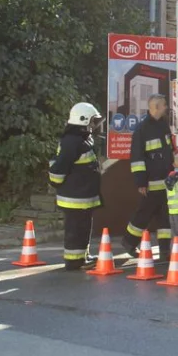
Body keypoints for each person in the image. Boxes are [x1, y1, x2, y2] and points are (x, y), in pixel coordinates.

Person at [48, 103, 103, 270]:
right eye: (93, 121)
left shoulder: (81, 139)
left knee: (83, 227)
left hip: (83, 195)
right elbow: (60, 167)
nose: (95, 125)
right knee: (75, 229)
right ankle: (73, 260)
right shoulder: (72, 141)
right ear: (83, 120)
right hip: (74, 197)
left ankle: (81, 256)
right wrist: (56, 182)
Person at [124, 94, 174, 261]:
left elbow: (168, 151)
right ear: (156, 107)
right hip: (151, 181)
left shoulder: (163, 125)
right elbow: (137, 158)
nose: (167, 107)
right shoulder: (142, 129)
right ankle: (129, 242)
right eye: (164, 105)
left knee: (164, 216)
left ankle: (165, 250)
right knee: (144, 214)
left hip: (165, 180)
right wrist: (141, 181)